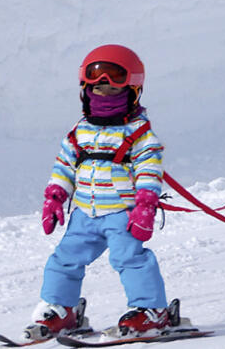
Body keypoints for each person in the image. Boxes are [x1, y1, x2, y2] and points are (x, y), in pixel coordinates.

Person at [22, 44, 171, 342]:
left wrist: (145, 205)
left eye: (113, 89)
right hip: (84, 214)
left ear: (132, 91)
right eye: (96, 88)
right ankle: (61, 310)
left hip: (123, 214)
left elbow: (149, 171)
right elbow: (64, 166)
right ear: (85, 90)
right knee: (63, 259)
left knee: (131, 259)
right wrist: (55, 198)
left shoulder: (140, 133)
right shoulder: (79, 131)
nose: (103, 93)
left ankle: (151, 311)